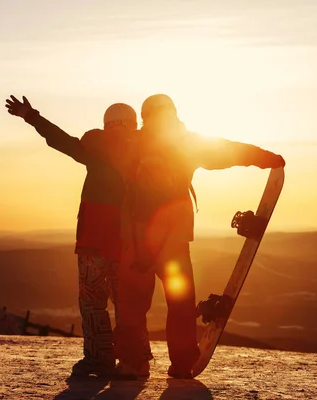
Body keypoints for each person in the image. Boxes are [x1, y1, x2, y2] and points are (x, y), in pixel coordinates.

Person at [112, 94, 286, 379]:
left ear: (145, 116)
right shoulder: (186, 143)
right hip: (173, 240)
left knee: (132, 306)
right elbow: (229, 152)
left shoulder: (133, 142)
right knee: (179, 304)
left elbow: (95, 157)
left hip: (137, 240)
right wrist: (267, 158)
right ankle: (182, 363)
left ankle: (132, 363)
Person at [4, 95, 143, 377]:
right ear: (133, 124)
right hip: (128, 243)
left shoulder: (95, 148)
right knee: (128, 305)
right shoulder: (145, 153)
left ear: (106, 125)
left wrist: (31, 116)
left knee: (93, 303)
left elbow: (61, 141)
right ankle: (136, 361)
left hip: (93, 240)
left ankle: (98, 358)